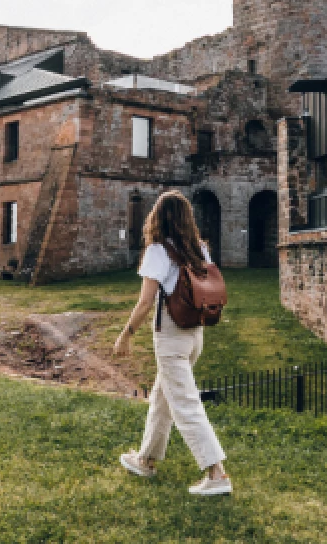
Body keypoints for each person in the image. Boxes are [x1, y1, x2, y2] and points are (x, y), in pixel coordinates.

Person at [114, 190, 232, 496]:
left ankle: (216, 473)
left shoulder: (158, 250)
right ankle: (146, 460)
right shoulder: (200, 250)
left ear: (158, 216)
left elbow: (145, 303)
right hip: (195, 333)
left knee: (185, 403)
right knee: (163, 396)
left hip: (170, 336)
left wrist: (125, 334)